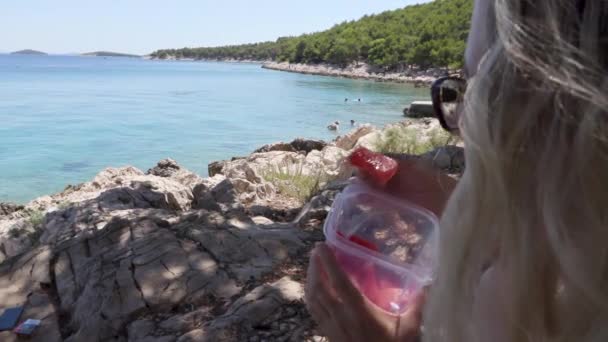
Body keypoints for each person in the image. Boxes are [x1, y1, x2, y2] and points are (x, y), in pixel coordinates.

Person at [305, 0, 608, 341]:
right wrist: (455, 203)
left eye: (480, 88)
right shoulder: (581, 272)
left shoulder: (517, 301)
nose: (461, 120)